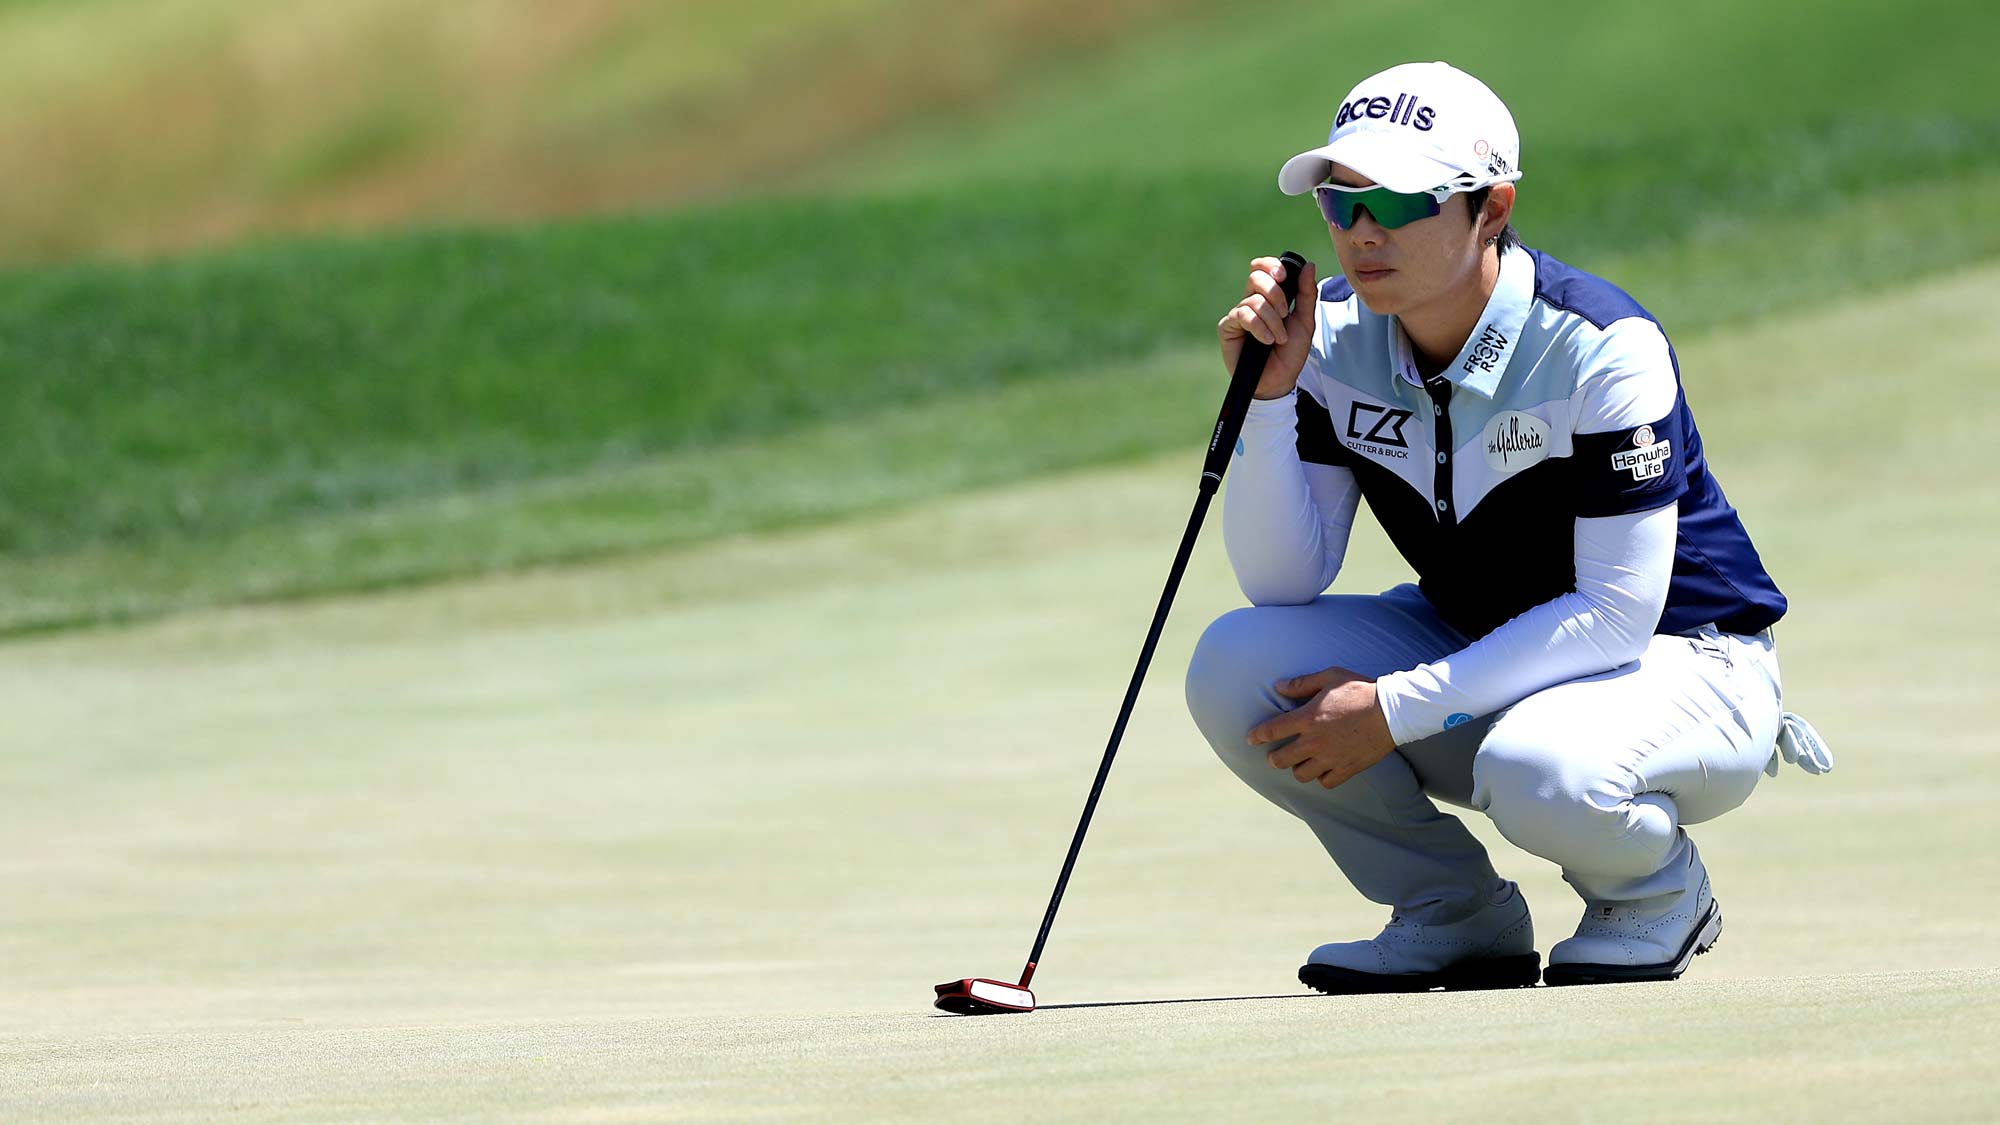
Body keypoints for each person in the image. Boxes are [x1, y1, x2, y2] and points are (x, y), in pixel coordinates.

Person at [1182, 60, 1832, 992]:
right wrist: (1271, 398)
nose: (1362, 233)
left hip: (1687, 660)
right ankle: (1454, 911)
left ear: (1491, 207)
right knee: (1239, 667)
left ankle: (1652, 891)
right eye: (1340, 203)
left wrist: (1394, 709)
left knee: (1540, 767)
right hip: (1487, 646)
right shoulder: (1324, 339)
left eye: (1400, 202)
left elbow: (1615, 614)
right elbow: (1282, 579)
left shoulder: (1604, 347)